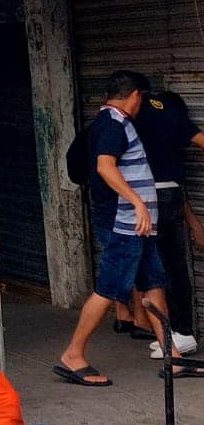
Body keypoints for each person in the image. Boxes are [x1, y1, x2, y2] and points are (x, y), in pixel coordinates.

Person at [55, 70, 172, 387]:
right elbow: (104, 167)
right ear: (135, 95)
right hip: (126, 224)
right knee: (107, 289)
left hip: (139, 226)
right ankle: (73, 354)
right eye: (142, 99)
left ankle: (172, 356)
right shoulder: (112, 125)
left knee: (154, 283)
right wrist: (136, 202)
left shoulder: (114, 123)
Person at [111, 74, 204, 358]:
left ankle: (181, 333)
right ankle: (176, 332)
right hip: (167, 193)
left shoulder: (125, 117)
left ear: (134, 94)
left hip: (140, 198)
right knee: (170, 265)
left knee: (159, 267)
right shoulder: (170, 113)